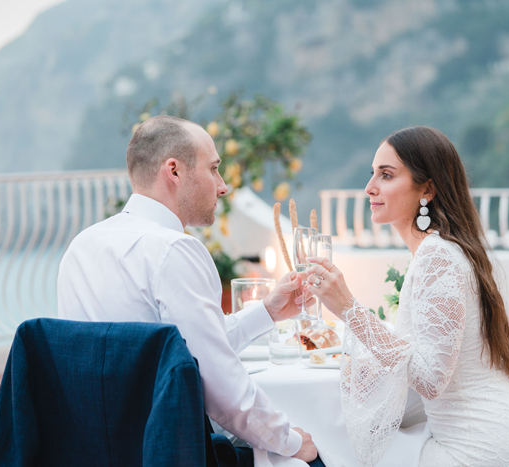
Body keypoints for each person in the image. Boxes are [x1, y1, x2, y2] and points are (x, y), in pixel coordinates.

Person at [57, 115, 321, 465]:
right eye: (213, 169)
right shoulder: (173, 250)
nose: (223, 185)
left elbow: (179, 352)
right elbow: (224, 390)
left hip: (94, 450)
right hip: (167, 450)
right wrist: (290, 442)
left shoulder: (81, 246)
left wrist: (268, 311)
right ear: (175, 171)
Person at [305, 126, 509, 466]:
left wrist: (348, 308)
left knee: (333, 442)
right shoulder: (449, 248)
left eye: (386, 175)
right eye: (372, 173)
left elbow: (430, 379)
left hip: (483, 449)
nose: (369, 187)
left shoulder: (438, 256)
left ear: (427, 189)